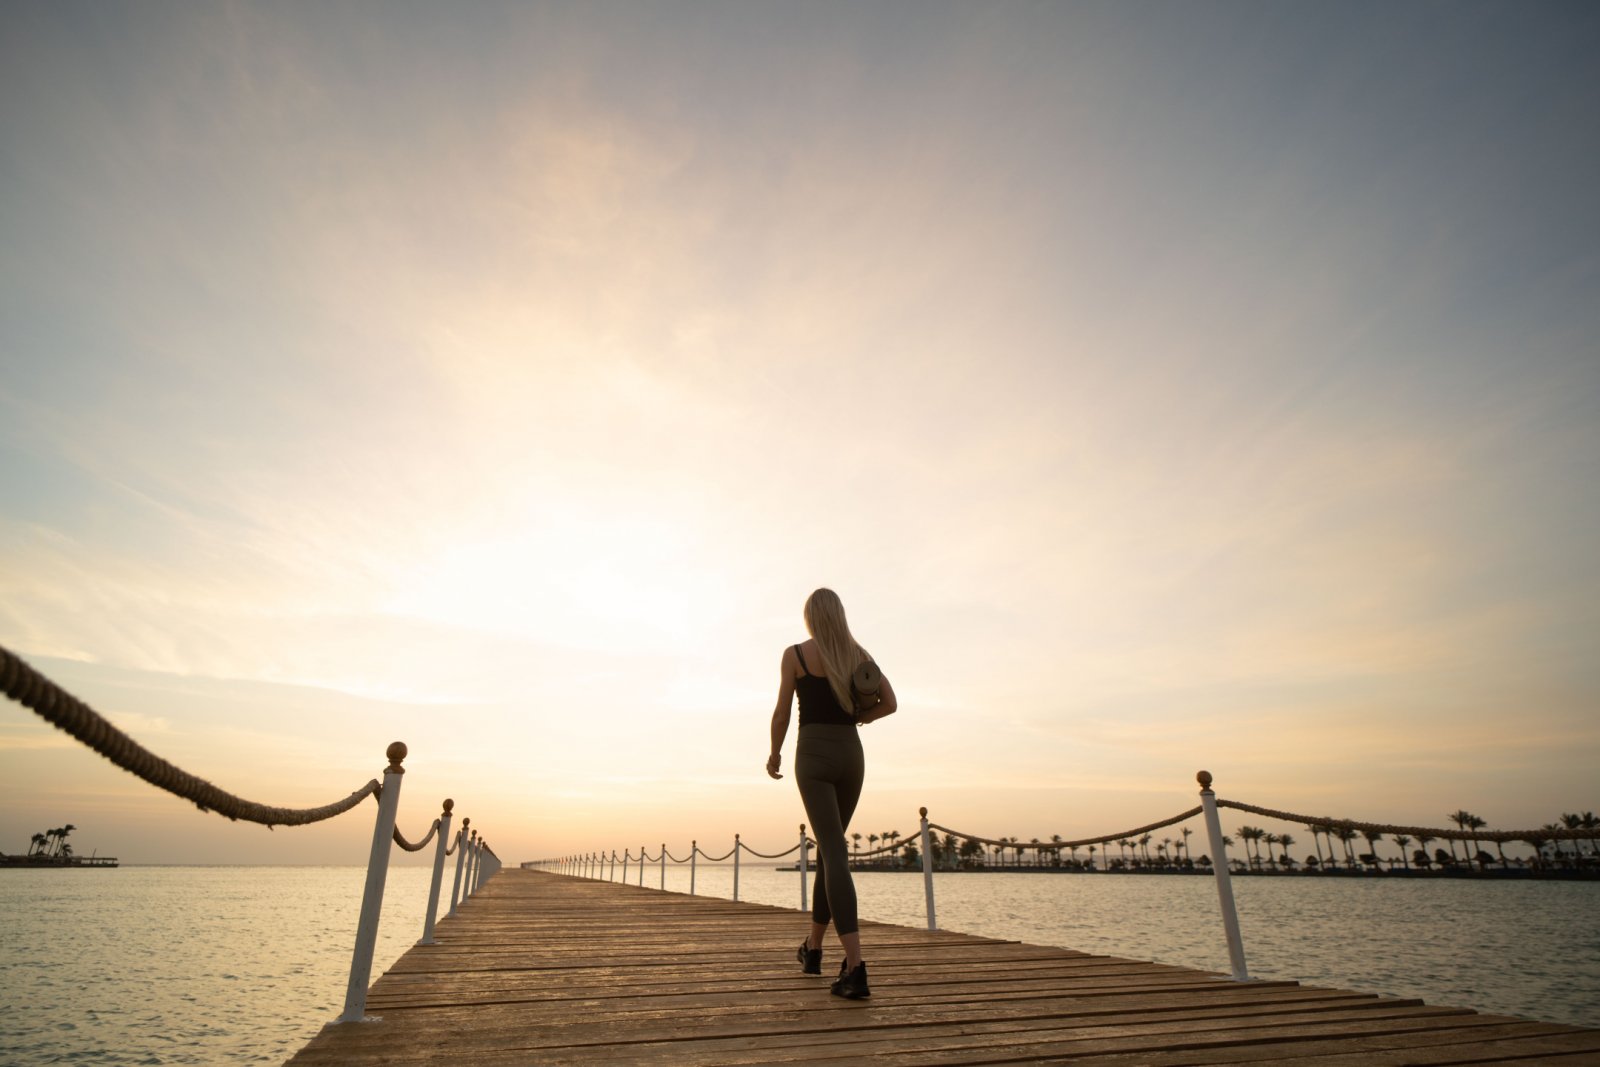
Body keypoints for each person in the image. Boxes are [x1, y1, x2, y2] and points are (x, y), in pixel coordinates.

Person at [766, 588, 897, 999]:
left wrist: (774, 752)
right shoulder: (857, 654)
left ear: (810, 617)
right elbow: (889, 703)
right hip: (850, 758)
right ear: (839, 615)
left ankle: (856, 968)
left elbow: (783, 711)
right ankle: (814, 949)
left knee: (833, 852)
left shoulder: (796, 655)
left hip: (814, 757)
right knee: (829, 850)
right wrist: (860, 717)